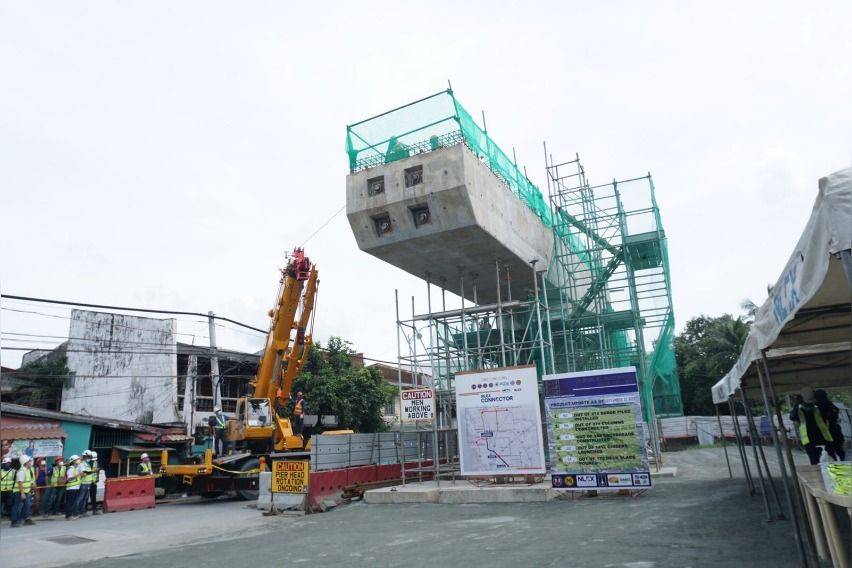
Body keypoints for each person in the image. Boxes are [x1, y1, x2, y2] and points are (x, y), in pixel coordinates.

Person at [790, 387, 835, 465]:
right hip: (810, 442)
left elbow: (829, 413)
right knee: (816, 463)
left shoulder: (818, 409)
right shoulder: (799, 412)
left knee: (829, 462)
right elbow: (792, 417)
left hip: (823, 440)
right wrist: (796, 405)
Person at [815, 389, 846, 461]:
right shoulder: (830, 404)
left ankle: (837, 465)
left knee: (831, 452)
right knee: (839, 451)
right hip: (835, 431)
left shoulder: (819, 405)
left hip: (828, 433)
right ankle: (841, 463)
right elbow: (836, 411)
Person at [11, 454, 35, 527]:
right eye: (29, 461)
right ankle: (14, 522)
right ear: (26, 462)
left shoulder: (27, 470)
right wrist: (22, 493)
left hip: (26, 491)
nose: (30, 462)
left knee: (27, 506)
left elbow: (28, 481)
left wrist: (32, 486)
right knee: (17, 506)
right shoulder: (21, 471)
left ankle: (22, 519)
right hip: (19, 491)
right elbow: (20, 483)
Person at [64, 455, 82, 520]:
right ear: (73, 461)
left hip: (76, 487)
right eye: (77, 459)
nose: (78, 460)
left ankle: (72, 514)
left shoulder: (76, 468)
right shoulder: (70, 469)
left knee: (73, 502)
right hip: (71, 488)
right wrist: (78, 475)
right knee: (69, 502)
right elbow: (69, 479)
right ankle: (68, 516)